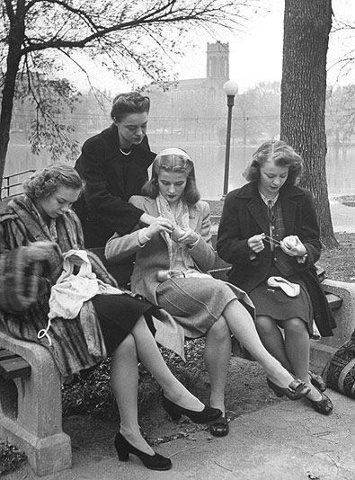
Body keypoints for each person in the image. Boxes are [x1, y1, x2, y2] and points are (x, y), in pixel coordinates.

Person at [0, 165, 222, 472]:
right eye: (61, 202)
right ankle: (171, 389)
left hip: (72, 298)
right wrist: (25, 257)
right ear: (43, 192)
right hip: (35, 313)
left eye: (71, 203)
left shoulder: (67, 218)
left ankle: (130, 433)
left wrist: (76, 263)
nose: (66, 209)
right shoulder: (9, 222)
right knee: (129, 311)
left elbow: (79, 257)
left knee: (127, 339)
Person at [105, 148, 311, 438]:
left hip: (195, 287)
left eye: (180, 183)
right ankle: (272, 366)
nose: (173, 189)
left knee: (221, 324)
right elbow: (112, 251)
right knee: (220, 289)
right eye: (166, 183)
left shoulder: (199, 208)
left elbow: (209, 261)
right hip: (158, 285)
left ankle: (217, 405)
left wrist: (193, 241)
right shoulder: (140, 204)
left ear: (189, 180)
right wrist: (145, 233)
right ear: (156, 179)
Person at [217, 140, 334, 415]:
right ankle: (294, 380)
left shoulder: (300, 198)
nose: (277, 182)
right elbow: (224, 246)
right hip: (252, 278)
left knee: (295, 323)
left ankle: (298, 380)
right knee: (263, 321)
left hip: (293, 275)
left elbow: (314, 242)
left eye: (283, 176)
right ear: (257, 169)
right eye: (271, 176)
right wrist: (247, 246)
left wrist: (303, 250)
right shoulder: (237, 199)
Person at [74, 91, 158, 251]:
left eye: (144, 125)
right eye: (131, 128)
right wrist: (141, 216)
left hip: (127, 230)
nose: (140, 133)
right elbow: (96, 198)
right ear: (115, 121)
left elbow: (140, 188)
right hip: (94, 229)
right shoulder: (95, 147)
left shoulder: (140, 142)